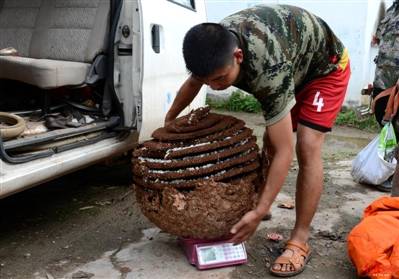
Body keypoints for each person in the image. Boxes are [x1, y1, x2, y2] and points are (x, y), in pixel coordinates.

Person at [165, 5, 350, 277]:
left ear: (238, 56)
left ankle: (299, 240)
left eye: (219, 79)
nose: (215, 87)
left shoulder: (268, 67)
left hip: (325, 70)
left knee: (306, 145)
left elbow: (286, 151)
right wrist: (170, 120)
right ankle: (258, 205)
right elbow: (194, 82)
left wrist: (262, 208)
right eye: (208, 82)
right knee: (270, 142)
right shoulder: (213, 47)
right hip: (293, 62)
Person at [370, 0, 399, 192]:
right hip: (382, 78)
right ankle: (387, 170)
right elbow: (379, 39)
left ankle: (393, 176)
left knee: (397, 126)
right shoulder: (392, 8)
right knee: (385, 124)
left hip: (397, 81)